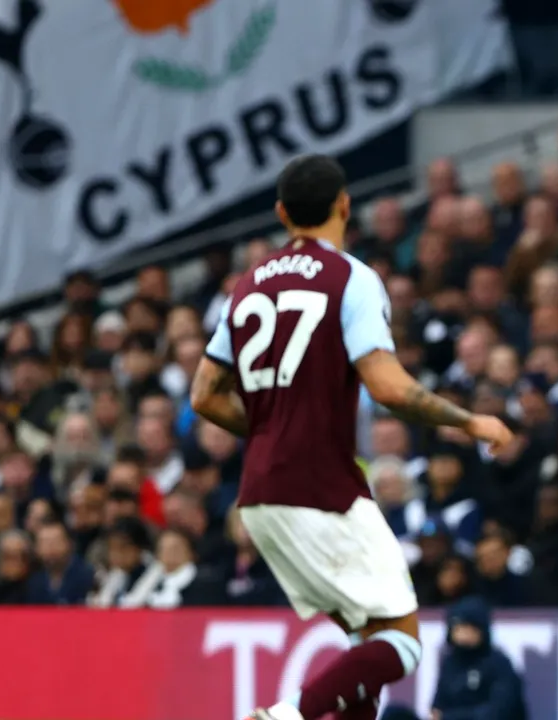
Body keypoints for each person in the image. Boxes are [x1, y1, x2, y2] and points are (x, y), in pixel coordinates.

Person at [190, 154, 513, 720]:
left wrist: (269, 427)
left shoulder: (245, 287)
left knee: (367, 644)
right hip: (321, 485)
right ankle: (284, 716)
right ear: (345, 206)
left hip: (261, 490)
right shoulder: (351, 278)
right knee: (404, 642)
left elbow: (204, 395)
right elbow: (387, 387)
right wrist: (468, 421)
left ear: (281, 213)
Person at [429, 596, 528, 720]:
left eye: (468, 627)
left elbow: (497, 712)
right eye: (458, 627)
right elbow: (438, 706)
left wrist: (450, 717)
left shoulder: (499, 664)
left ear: (481, 630)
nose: (463, 633)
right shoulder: (450, 663)